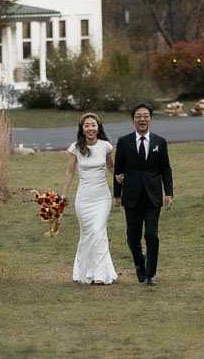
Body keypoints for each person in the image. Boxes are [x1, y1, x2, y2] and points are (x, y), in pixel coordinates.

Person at [113, 101, 174, 286]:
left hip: (153, 196)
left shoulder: (159, 142)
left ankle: (150, 274)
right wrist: (117, 194)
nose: (142, 119)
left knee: (151, 235)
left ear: (151, 119)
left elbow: (166, 169)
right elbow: (118, 170)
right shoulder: (124, 142)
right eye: (138, 116)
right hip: (131, 196)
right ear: (132, 120)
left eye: (146, 116)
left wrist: (169, 193)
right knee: (133, 239)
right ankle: (140, 264)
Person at [58, 112, 118, 285]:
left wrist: (121, 176)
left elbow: (111, 167)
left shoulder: (105, 146)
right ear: (82, 129)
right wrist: (64, 194)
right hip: (83, 199)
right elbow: (69, 172)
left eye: (93, 125)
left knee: (99, 232)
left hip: (102, 198)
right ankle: (84, 271)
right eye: (87, 125)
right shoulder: (75, 148)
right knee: (87, 235)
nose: (90, 128)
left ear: (98, 128)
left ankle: (100, 275)